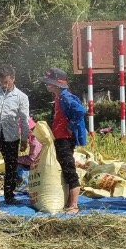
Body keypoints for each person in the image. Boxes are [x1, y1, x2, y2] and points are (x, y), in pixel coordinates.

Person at [0, 65, 31, 204]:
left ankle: (9, 196)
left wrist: (24, 139)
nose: (4, 85)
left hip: (11, 137)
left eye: (7, 82)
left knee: (11, 167)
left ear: (13, 79)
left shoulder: (21, 97)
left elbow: (25, 120)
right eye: (2, 82)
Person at [41, 68, 87, 213]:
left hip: (65, 138)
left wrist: (71, 126)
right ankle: (67, 201)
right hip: (59, 138)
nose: (47, 85)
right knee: (63, 168)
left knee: (69, 169)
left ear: (57, 85)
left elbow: (81, 111)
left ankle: (74, 205)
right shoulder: (58, 98)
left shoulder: (66, 98)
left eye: (49, 83)